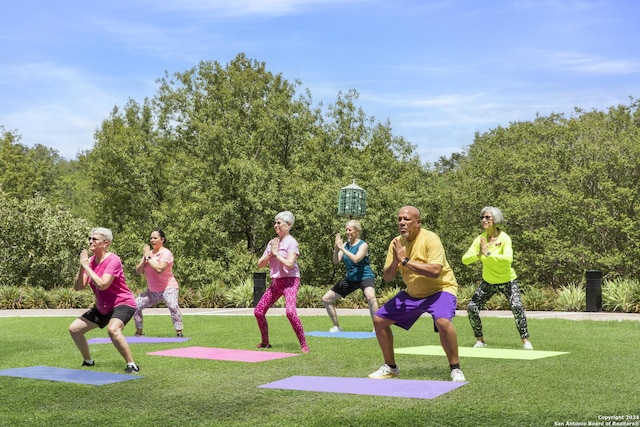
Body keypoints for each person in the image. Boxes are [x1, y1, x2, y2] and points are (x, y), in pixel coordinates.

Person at [369, 206, 465, 382]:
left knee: (443, 321)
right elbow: (388, 277)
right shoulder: (396, 243)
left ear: (418, 222)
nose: (401, 223)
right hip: (413, 293)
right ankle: (391, 367)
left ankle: (455, 369)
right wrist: (396, 260)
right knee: (379, 320)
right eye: (399, 219)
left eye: (406, 220)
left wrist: (405, 261)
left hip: (440, 289)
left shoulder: (431, 239)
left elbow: (435, 270)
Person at [68, 227, 140, 373]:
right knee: (74, 329)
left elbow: (102, 284)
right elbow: (78, 287)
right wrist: (82, 268)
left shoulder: (113, 260)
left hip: (123, 303)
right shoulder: (90, 262)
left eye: (94, 239)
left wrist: (87, 267)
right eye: (90, 239)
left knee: (113, 330)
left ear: (105, 243)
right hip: (103, 306)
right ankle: (88, 362)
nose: (90, 241)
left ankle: (131, 364)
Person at [462, 206, 533, 350]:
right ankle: (480, 341)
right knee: (471, 308)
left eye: (487, 217)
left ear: (496, 220)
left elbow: (508, 259)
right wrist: (479, 255)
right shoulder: (480, 240)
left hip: (508, 280)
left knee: (517, 307)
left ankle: (526, 342)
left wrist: (488, 254)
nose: (484, 220)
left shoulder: (504, 238)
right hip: (488, 281)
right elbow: (465, 259)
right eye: (482, 217)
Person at [254, 211, 309, 353]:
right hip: (276, 283)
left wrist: (277, 254)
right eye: (275, 223)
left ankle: (304, 344)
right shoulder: (272, 243)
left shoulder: (292, 242)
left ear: (288, 225)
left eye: (279, 223)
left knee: (290, 312)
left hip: (291, 281)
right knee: (258, 311)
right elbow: (260, 264)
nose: (276, 225)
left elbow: (290, 264)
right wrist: (271, 252)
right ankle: (265, 342)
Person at [322, 219, 378, 332]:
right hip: (351, 278)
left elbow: (356, 259)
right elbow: (336, 261)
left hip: (365, 276)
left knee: (371, 297)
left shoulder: (363, 245)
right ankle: (336, 326)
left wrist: (342, 248)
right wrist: (337, 248)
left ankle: (377, 327)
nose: (347, 232)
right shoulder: (345, 245)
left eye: (350, 230)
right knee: (326, 299)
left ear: (357, 231)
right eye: (346, 230)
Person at [133, 229, 184, 337]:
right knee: (135, 306)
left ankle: (179, 332)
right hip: (153, 291)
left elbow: (159, 268)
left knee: (173, 306)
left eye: (155, 238)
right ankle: (139, 333)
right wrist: (144, 257)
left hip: (168, 287)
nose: (152, 240)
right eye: (151, 238)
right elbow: (138, 271)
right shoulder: (148, 254)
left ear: (162, 239)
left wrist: (149, 257)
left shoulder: (166, 253)